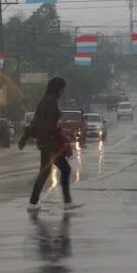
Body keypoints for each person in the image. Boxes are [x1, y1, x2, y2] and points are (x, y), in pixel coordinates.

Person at [19, 77, 81, 212]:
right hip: (50, 144)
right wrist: (59, 140)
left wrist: (26, 136)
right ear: (58, 89)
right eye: (62, 89)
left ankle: (33, 202)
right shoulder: (51, 102)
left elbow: (36, 122)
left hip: (46, 143)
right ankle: (66, 202)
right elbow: (48, 125)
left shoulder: (44, 101)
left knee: (45, 171)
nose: (63, 92)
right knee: (64, 169)